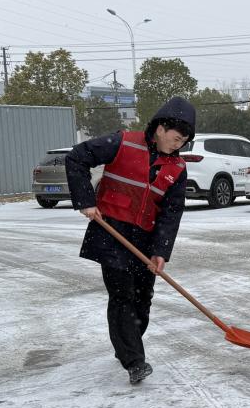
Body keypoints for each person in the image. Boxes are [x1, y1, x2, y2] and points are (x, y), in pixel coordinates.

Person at [66, 97, 195, 384]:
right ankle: (134, 361)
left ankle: (125, 342)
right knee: (122, 295)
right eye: (176, 138)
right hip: (111, 230)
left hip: (146, 239)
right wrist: (86, 201)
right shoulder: (122, 143)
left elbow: (171, 213)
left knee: (142, 299)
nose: (178, 145)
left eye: (183, 141)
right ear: (160, 128)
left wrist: (161, 251)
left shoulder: (177, 168)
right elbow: (76, 157)